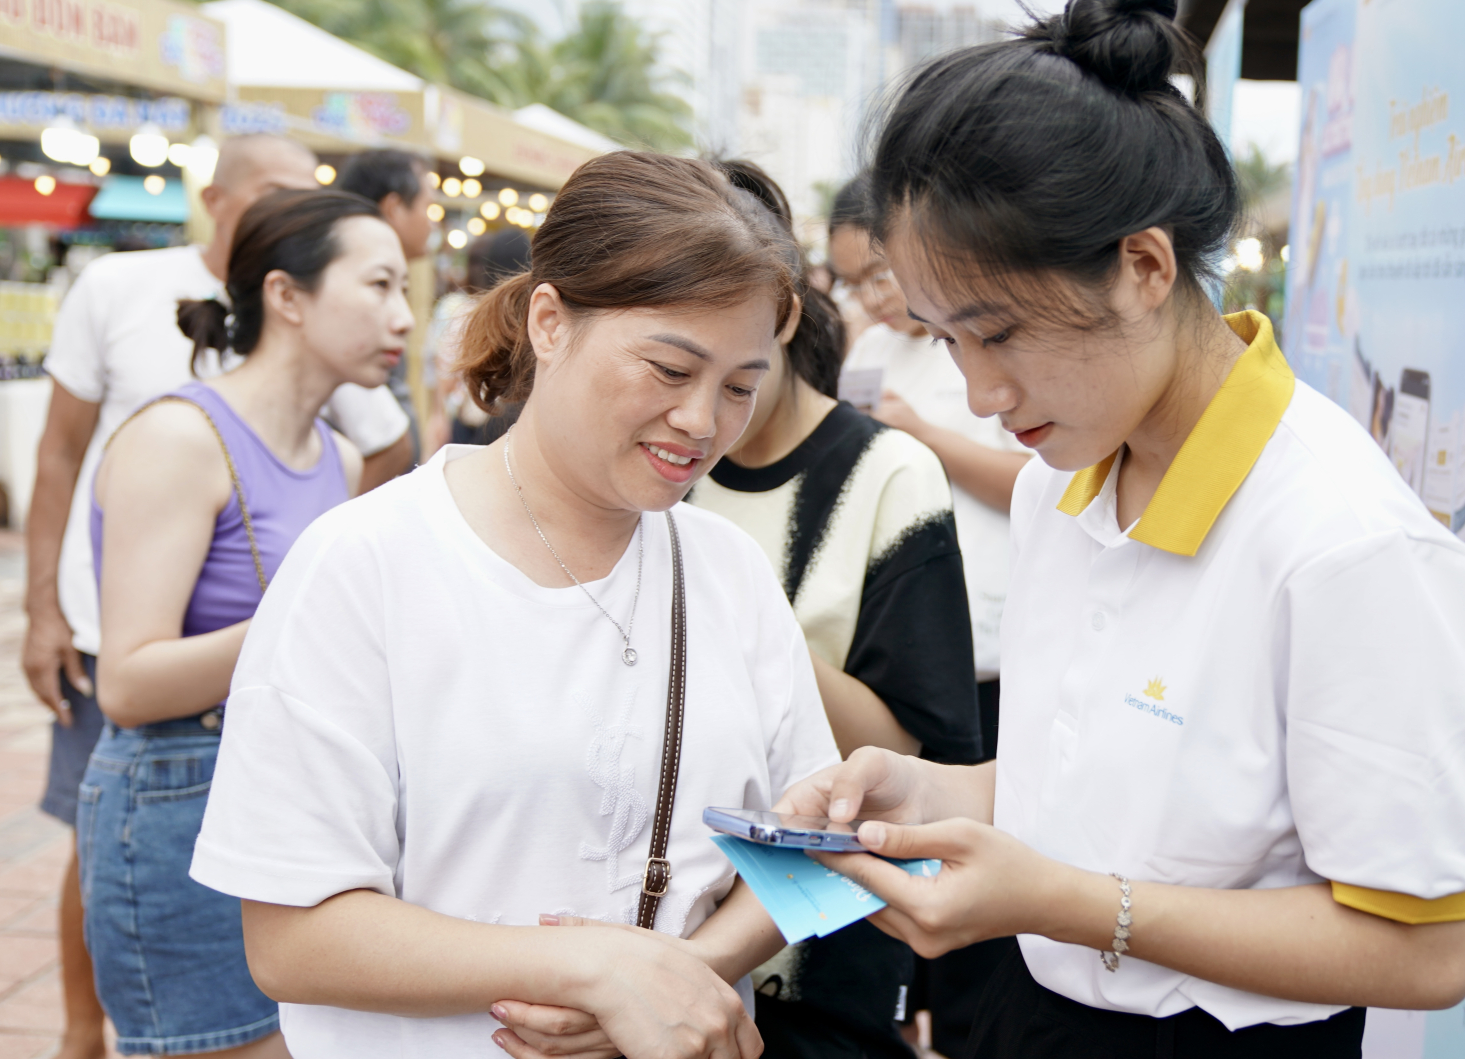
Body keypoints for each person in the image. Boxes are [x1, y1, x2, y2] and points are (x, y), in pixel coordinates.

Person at [779, 0, 1465, 1057]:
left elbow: (1426, 952)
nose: (981, 395)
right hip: (1030, 1017)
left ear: (1145, 268)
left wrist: (1068, 903)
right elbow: (1089, 788)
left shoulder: (1347, 547)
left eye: (1002, 333)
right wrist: (922, 790)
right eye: (947, 342)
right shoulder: (1058, 483)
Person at [185, 151, 842, 1059]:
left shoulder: (727, 570)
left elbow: (804, 844)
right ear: (549, 321)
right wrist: (588, 973)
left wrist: (676, 977)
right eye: (667, 368)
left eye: (740, 386)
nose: (701, 421)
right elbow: (293, 937)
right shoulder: (366, 564)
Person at [18, 134, 411, 1059]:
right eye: (379, 286)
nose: (403, 316)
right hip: (175, 803)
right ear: (287, 297)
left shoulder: (338, 455)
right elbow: (129, 682)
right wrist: (310, 617)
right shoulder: (182, 440)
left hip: (281, 806)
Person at [689, 160, 979, 1059]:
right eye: (667, 361)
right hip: (646, 942)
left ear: (782, 311)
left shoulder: (887, 473)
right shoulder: (650, 461)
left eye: (734, 368)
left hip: (816, 954)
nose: (695, 415)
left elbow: (919, 754)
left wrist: (748, 621)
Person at [828, 173, 1029, 1055]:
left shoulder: (989, 351)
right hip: (916, 638)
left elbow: (1036, 486)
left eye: (881, 273)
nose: (875, 297)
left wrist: (920, 437)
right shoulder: (871, 348)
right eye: (854, 282)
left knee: (995, 850)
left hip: (999, 646)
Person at [338, 148, 440, 451]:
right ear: (394, 208)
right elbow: (382, 444)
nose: (404, 323)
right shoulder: (346, 291)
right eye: (427, 207)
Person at [423, 227, 532, 454]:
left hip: (471, 416)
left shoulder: (468, 312)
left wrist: (438, 414)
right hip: (513, 423)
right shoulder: (535, 317)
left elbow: (447, 369)